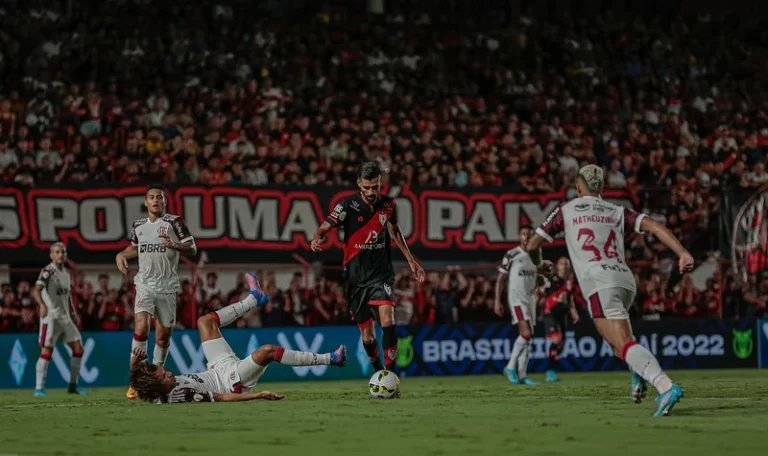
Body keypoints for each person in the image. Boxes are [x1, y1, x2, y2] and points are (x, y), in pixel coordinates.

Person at [524, 164, 694, 417]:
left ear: (578, 188)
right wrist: (682, 253)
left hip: (599, 282)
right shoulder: (616, 210)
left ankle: (664, 385)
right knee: (618, 343)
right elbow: (657, 226)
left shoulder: (566, 210)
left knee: (622, 343)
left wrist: (540, 265)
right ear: (603, 188)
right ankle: (638, 375)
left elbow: (531, 245)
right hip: (625, 280)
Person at [129, 273, 347, 404]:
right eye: (163, 375)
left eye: (163, 371)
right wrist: (258, 395)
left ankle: (254, 299)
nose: (168, 372)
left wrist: (134, 363)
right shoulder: (181, 395)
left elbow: (138, 383)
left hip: (216, 368)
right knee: (267, 351)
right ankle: (331, 359)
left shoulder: (155, 389)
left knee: (205, 322)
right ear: (158, 385)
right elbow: (221, 399)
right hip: (231, 382)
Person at [311, 162, 425, 376]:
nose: (372, 192)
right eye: (367, 187)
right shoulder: (347, 205)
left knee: (388, 319)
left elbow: (395, 231)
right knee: (368, 337)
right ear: (359, 184)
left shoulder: (389, 205)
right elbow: (325, 226)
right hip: (356, 279)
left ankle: (391, 376)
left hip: (381, 274)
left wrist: (411, 260)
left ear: (381, 183)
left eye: (376, 187)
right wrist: (317, 238)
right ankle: (378, 370)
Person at [115, 184, 197, 399]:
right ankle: (135, 379)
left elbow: (192, 247)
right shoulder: (139, 225)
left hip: (167, 287)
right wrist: (121, 255)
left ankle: (154, 376)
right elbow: (136, 247)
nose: (155, 201)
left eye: (159, 198)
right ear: (146, 202)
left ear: (164, 202)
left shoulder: (174, 222)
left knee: (162, 338)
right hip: (144, 285)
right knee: (141, 328)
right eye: (151, 198)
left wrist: (174, 245)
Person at [493, 225, 552, 385]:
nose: (526, 237)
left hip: (530, 299)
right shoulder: (512, 254)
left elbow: (539, 275)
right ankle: (510, 367)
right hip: (516, 299)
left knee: (528, 335)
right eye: (523, 234)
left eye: (529, 234)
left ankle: (522, 374)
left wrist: (544, 278)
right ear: (520, 237)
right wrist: (497, 300)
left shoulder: (536, 256)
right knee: (525, 333)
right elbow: (500, 279)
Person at [31, 242, 87, 396]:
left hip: (65, 317)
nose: (61, 254)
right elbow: (36, 290)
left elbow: (67, 295)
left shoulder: (67, 273)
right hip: (51, 318)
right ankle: (38, 388)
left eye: (63, 252)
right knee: (46, 352)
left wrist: (73, 312)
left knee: (78, 349)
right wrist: (42, 305)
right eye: (57, 252)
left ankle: (73, 386)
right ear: (52, 255)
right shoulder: (47, 271)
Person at [540, 257, 582, 383]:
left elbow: (570, 297)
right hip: (551, 312)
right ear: (557, 266)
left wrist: (573, 310)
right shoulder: (552, 278)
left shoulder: (569, 280)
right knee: (556, 339)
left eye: (566, 264)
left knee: (561, 344)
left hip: (562, 313)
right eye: (562, 264)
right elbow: (543, 292)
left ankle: (552, 370)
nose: (564, 266)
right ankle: (549, 371)